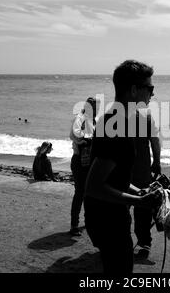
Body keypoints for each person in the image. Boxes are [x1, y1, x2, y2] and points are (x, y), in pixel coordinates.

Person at [84, 60, 162, 274]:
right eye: (150, 88)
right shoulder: (118, 125)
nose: (152, 95)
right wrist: (139, 201)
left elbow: (114, 179)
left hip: (107, 216)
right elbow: (94, 186)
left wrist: (141, 191)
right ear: (135, 90)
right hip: (108, 221)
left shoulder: (115, 120)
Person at [131, 109, 161, 260]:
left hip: (122, 170)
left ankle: (121, 242)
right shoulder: (147, 117)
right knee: (142, 207)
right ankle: (144, 243)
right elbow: (154, 141)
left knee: (120, 207)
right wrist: (157, 161)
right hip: (142, 170)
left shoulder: (115, 115)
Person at [69, 97, 97, 236]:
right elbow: (73, 134)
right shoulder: (80, 118)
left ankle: (88, 221)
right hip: (79, 161)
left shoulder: (92, 121)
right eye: (92, 106)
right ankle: (74, 225)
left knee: (89, 193)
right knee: (80, 193)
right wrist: (86, 140)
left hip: (89, 161)